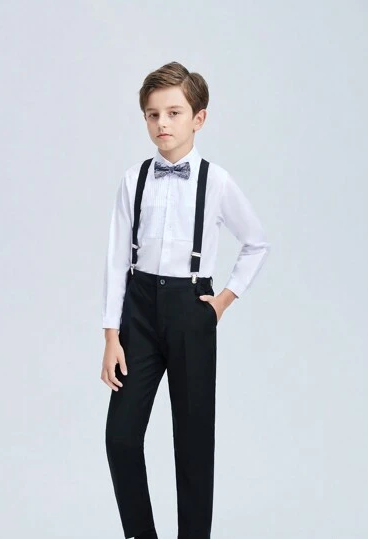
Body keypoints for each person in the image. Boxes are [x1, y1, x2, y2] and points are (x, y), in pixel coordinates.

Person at [101, 61, 271, 539]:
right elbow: (116, 260)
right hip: (138, 313)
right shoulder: (133, 179)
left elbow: (256, 243)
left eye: (174, 113)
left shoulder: (215, 181)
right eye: (153, 115)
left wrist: (221, 302)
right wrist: (111, 336)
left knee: (193, 443)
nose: (163, 124)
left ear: (199, 118)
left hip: (190, 308)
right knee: (120, 437)